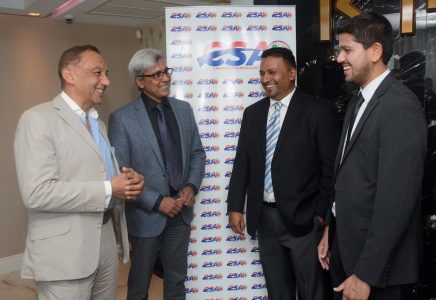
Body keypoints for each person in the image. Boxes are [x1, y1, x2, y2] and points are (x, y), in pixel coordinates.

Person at [14, 45, 145, 300]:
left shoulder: (98, 122)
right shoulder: (37, 119)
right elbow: (37, 192)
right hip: (64, 252)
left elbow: (99, 174)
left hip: (106, 241)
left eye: (106, 73)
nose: (106, 81)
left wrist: (127, 183)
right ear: (69, 74)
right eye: (98, 72)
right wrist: (110, 188)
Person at [317, 12, 427, 300]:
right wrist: (331, 228)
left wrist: (367, 273)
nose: (339, 58)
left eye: (347, 50)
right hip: (346, 249)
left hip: (376, 269)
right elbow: (347, 175)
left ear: (375, 51)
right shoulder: (357, 101)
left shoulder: (400, 106)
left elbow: (397, 200)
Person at [227, 47, 338, 300]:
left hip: (304, 221)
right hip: (265, 219)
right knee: (278, 292)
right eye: (262, 73)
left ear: (292, 73)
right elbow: (242, 163)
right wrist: (235, 206)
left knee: (313, 292)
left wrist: (320, 216)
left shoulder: (318, 111)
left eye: (272, 72)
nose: (266, 78)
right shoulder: (252, 114)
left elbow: (329, 169)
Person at [108, 48, 205, 300]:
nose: (165, 78)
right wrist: (157, 201)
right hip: (145, 216)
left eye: (166, 71)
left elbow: (197, 153)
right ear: (140, 82)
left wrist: (191, 186)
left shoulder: (184, 110)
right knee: (140, 286)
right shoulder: (122, 119)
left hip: (180, 213)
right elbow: (122, 173)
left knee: (176, 282)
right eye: (157, 74)